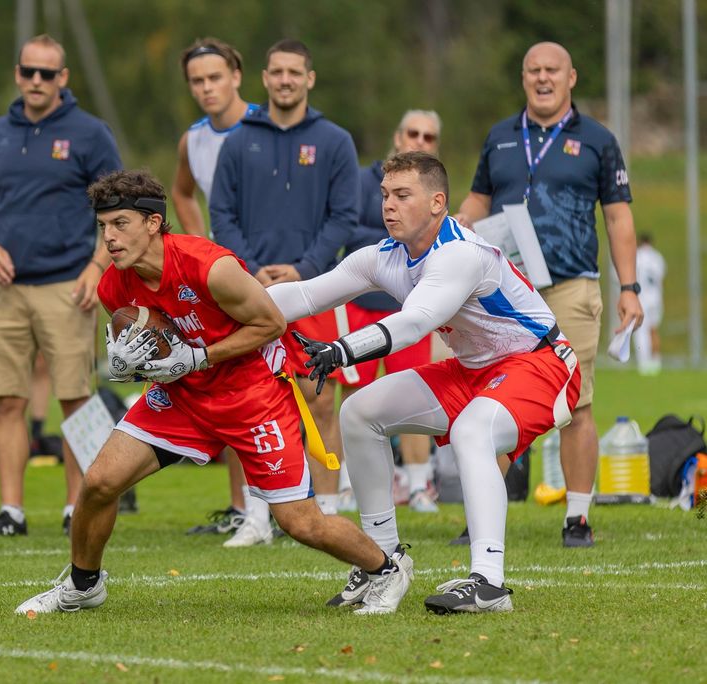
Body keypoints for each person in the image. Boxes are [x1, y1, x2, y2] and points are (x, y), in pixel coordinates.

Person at [14, 169, 413, 616]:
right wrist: (139, 361)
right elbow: (163, 341)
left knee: (301, 523)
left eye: (120, 223)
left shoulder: (210, 266)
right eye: (103, 226)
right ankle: (83, 584)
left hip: (252, 395)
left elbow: (271, 325)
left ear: (152, 223)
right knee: (100, 482)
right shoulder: (114, 284)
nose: (109, 237)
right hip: (184, 395)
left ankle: (387, 568)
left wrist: (198, 357)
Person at [269, 151, 581, 613]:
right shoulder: (385, 256)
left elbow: (415, 323)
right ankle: (383, 563)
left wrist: (341, 350)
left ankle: (488, 583)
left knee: (471, 431)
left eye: (402, 195)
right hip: (474, 370)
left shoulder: (461, 253)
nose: (387, 206)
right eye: (384, 195)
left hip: (541, 363)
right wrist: (215, 312)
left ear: (438, 203)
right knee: (359, 413)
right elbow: (306, 293)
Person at [454, 41, 643, 547]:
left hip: (569, 286)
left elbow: (619, 214)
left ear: (571, 77)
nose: (543, 78)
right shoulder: (500, 137)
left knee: (575, 402)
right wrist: (461, 220)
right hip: (505, 294)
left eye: (552, 70)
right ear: (523, 78)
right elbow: (479, 196)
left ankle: (577, 517)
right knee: (491, 399)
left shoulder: (598, 139)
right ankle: (482, 513)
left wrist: (629, 286)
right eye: (533, 70)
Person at [0, 34, 122, 536]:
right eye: (28, 71)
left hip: (67, 285)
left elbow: (116, 208)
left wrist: (97, 267)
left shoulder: (89, 133)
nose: (36, 81)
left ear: (63, 78)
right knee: (8, 400)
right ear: (17, 73)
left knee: (76, 398)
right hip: (5, 289)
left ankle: (81, 506)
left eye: (46, 74)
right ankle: (12, 511)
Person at [211, 39, 358, 545]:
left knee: (320, 397)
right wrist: (248, 274)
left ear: (309, 79)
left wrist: (304, 269)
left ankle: (329, 507)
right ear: (264, 78)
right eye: (277, 72)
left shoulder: (335, 140)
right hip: (248, 292)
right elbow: (220, 215)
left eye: (295, 72)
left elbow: (344, 216)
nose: (286, 80)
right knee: (247, 401)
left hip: (313, 289)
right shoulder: (237, 141)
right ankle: (257, 517)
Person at [171, 37, 259, 538]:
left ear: (236, 76)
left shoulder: (267, 126)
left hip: (275, 270)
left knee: (306, 390)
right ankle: (241, 505)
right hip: (223, 277)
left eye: (215, 78)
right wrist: (200, 243)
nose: (206, 88)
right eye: (197, 81)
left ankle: (320, 496)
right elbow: (183, 192)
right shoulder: (193, 139)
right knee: (232, 383)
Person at [338, 109, 441, 514]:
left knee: (413, 395)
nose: (419, 140)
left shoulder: (435, 188)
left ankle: (419, 486)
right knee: (353, 395)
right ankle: (348, 484)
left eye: (428, 136)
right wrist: (400, 236)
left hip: (412, 309)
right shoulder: (366, 181)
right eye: (412, 132)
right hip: (363, 303)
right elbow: (348, 231)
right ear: (398, 137)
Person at [634, 233, 665, 375]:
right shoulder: (658, 257)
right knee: (653, 329)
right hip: (656, 298)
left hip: (642, 298)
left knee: (641, 331)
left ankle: (644, 363)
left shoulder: (637, 257)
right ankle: (656, 361)